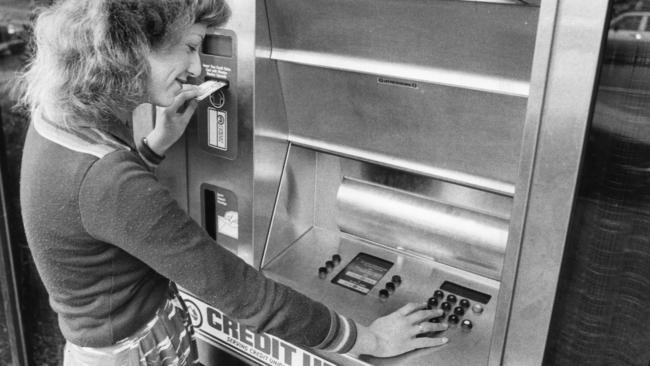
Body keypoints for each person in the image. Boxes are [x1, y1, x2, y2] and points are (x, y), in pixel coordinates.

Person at [18, 1, 449, 365]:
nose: (197, 67)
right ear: (132, 48)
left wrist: (154, 147)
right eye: (189, 47)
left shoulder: (58, 123)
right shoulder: (109, 180)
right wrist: (368, 339)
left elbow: (93, 214)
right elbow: (245, 296)